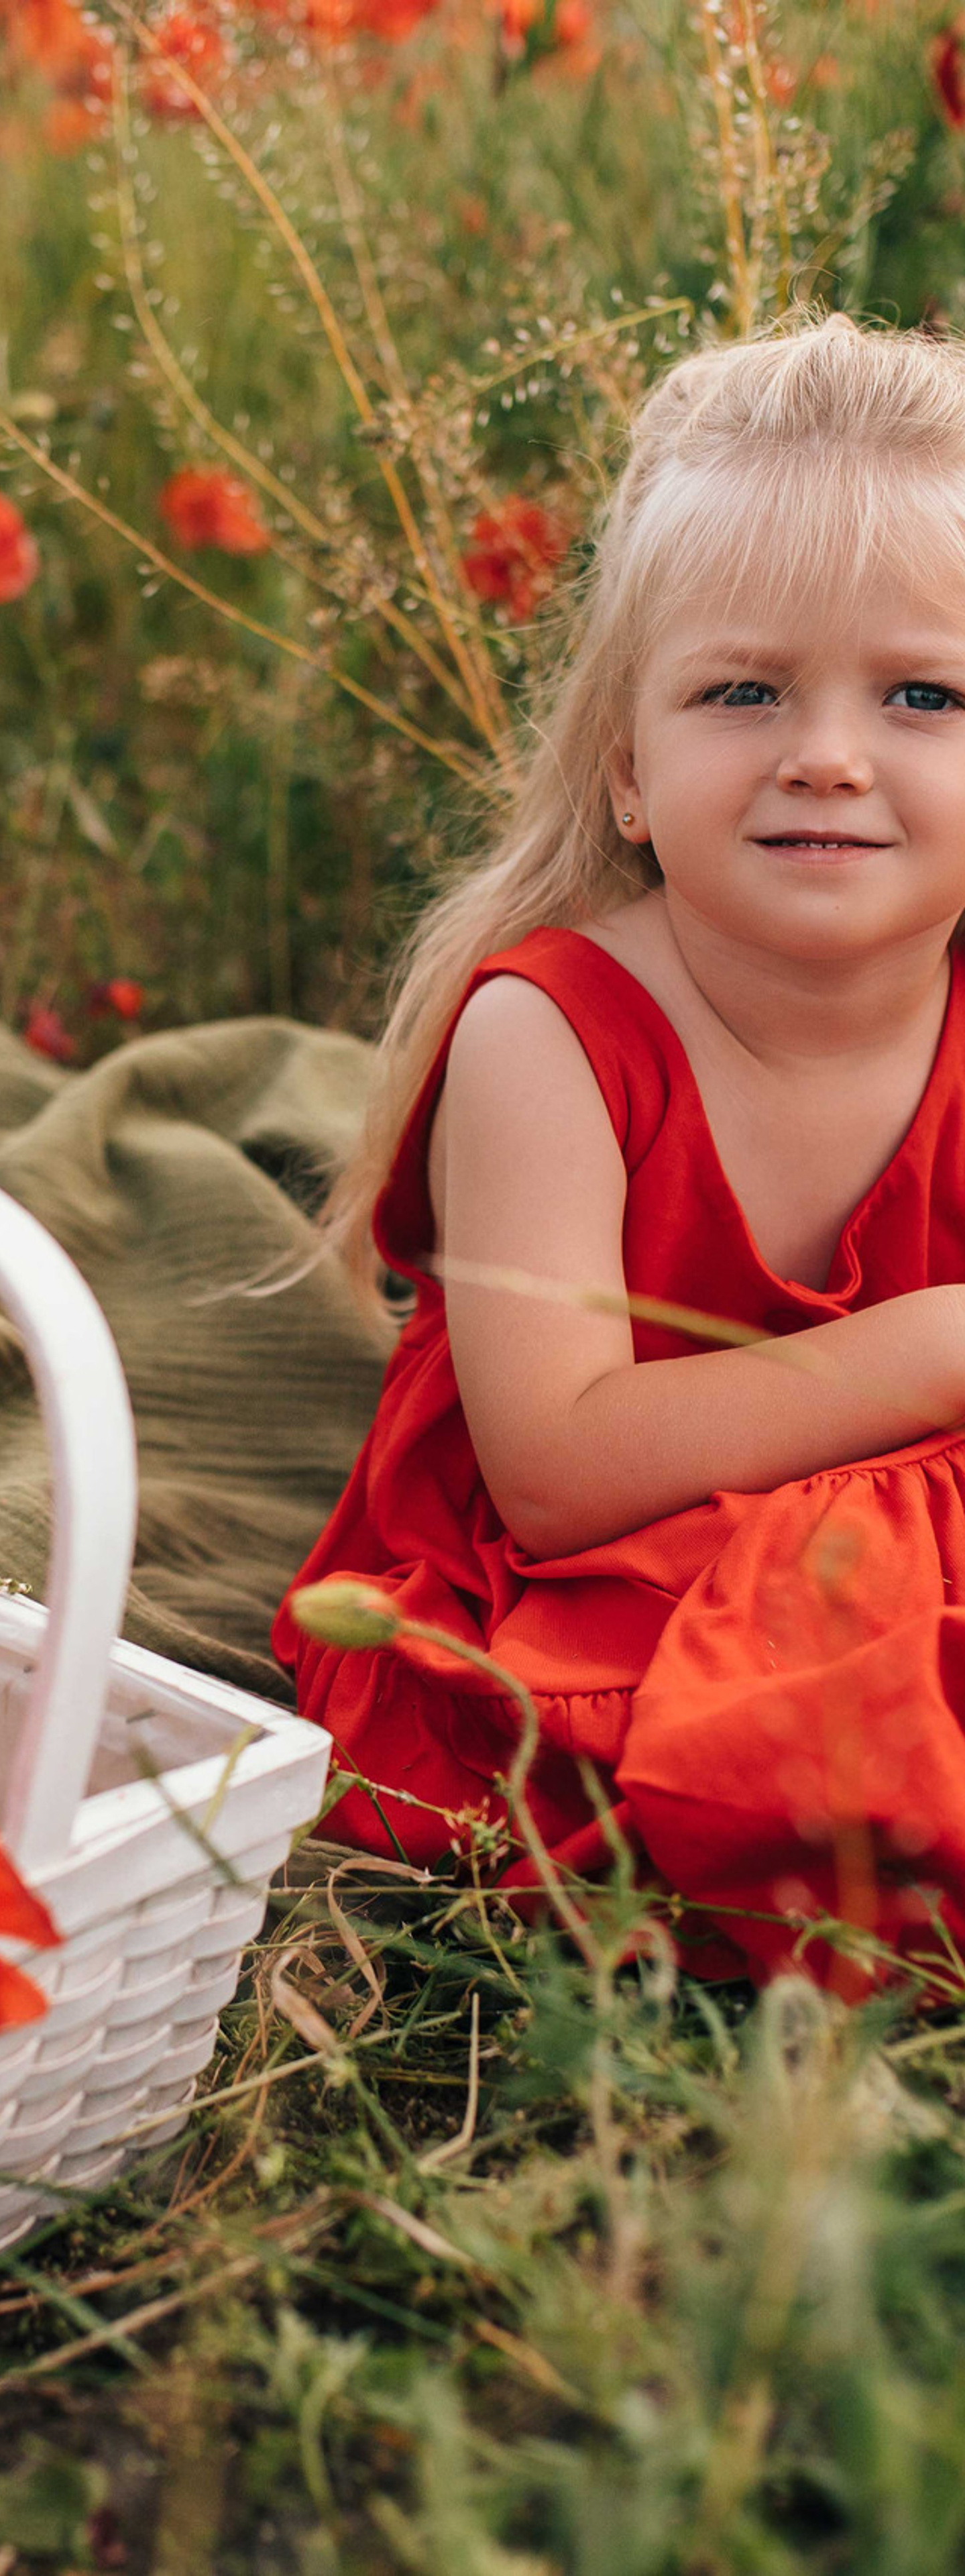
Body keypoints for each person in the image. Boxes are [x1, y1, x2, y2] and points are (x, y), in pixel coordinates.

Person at [273, 311, 965, 1984]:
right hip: (596, 1560)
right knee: (726, 1738)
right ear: (627, 771)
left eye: (921, 692)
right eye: (742, 690)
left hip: (884, 1513)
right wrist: (936, 1347)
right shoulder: (553, 1034)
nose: (823, 751)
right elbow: (560, 1468)